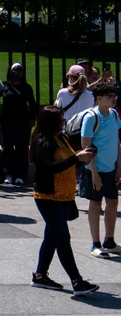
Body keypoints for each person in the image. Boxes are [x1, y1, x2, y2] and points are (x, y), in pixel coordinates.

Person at [30, 105, 99, 295]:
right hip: (47, 197)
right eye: (60, 120)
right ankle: (77, 281)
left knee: (51, 237)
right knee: (62, 239)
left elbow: (69, 159)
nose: (63, 123)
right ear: (51, 122)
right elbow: (48, 168)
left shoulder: (60, 138)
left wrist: (84, 155)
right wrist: (76, 159)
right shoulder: (42, 142)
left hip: (62, 196)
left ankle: (40, 275)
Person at [77, 81, 121, 257]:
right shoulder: (91, 117)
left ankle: (109, 241)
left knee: (112, 202)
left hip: (111, 168)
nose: (113, 100)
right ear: (99, 98)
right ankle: (95, 244)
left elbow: (117, 143)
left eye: (114, 96)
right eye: (109, 97)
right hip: (94, 170)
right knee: (95, 204)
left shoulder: (114, 115)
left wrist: (119, 167)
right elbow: (85, 149)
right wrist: (94, 172)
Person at [0, 63, 39, 186]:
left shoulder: (27, 87)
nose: (18, 72)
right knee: (7, 148)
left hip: (22, 122)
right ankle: (8, 173)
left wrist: (32, 118)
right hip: (7, 121)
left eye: (20, 70)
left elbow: (32, 104)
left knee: (21, 148)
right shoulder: (4, 86)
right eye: (15, 70)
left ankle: (21, 175)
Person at [56, 65, 95, 132]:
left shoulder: (62, 93)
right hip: (84, 129)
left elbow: (57, 109)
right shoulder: (90, 95)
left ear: (70, 77)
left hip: (67, 129)